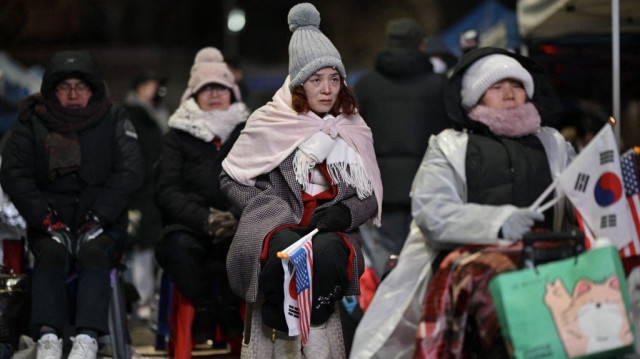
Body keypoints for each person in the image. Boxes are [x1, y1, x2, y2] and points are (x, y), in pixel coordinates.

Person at [350, 47, 576, 358]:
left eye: (518, 86)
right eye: (497, 87)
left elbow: (582, 195)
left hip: (553, 269)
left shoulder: (554, 145)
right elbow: (432, 212)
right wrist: (497, 223)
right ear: (475, 96)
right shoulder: (451, 147)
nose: (510, 95)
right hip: (471, 281)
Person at [220, 3, 382, 358]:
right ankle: (297, 336)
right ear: (298, 84)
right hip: (275, 225)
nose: (327, 89)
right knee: (289, 255)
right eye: (316, 79)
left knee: (323, 256)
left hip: (331, 228)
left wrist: (344, 214)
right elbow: (231, 178)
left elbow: (369, 193)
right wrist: (268, 208)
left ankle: (301, 332)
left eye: (334, 79)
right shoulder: (271, 120)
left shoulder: (351, 125)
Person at [0, 50, 144, 359]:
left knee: (95, 254)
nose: (74, 93)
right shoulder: (33, 119)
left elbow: (131, 170)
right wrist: (45, 218)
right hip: (49, 220)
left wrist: (99, 217)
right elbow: (15, 173)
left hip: (103, 221)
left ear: (94, 89)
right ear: (52, 90)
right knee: (50, 254)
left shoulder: (113, 117)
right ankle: (49, 336)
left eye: (82, 86)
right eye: (66, 87)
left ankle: (87, 337)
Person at [153, 47, 248, 342]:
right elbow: (167, 191)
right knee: (176, 247)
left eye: (221, 87)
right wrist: (205, 218)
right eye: (206, 89)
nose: (215, 94)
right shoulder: (175, 137)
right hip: (191, 227)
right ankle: (205, 308)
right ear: (193, 95)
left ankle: (232, 307)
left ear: (232, 91)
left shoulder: (251, 131)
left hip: (240, 226)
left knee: (257, 246)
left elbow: (265, 185)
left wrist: (234, 217)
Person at [353, 18, 449, 277]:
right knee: (425, 257)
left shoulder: (366, 85)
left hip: (382, 187)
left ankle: (388, 311)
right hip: (429, 185)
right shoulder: (439, 85)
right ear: (421, 45)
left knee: (387, 256)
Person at [121, 70, 167, 320]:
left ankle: (145, 301)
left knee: (149, 247)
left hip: (152, 191)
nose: (157, 89)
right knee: (137, 248)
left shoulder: (155, 113)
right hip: (137, 192)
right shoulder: (130, 114)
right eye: (152, 84)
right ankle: (138, 301)